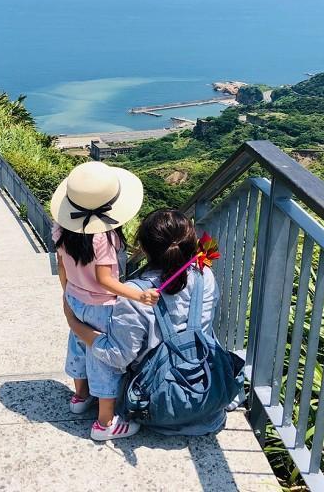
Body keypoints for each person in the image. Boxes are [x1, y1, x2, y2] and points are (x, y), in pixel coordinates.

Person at [64, 209, 226, 436]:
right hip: (208, 390)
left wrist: (76, 325)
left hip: (159, 402)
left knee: (99, 346)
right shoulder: (204, 275)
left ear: (143, 247)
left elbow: (116, 356)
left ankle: (99, 414)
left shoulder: (135, 295)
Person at [50, 161, 155, 441]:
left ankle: (80, 397)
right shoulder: (102, 237)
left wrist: (67, 294)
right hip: (101, 307)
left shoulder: (61, 229)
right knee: (104, 357)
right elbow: (105, 281)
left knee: (79, 345)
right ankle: (105, 423)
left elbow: (61, 266)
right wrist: (139, 295)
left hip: (75, 296)